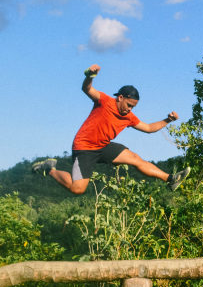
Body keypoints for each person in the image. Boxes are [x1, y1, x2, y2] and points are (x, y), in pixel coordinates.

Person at [33, 64, 189, 194]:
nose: (130, 110)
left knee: (135, 159)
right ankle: (50, 169)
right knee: (78, 189)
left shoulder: (129, 117)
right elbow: (87, 89)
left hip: (103, 146)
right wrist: (90, 76)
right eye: (129, 105)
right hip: (84, 148)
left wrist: (167, 120)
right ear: (120, 97)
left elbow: (148, 128)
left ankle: (171, 179)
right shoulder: (104, 101)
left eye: (133, 107)